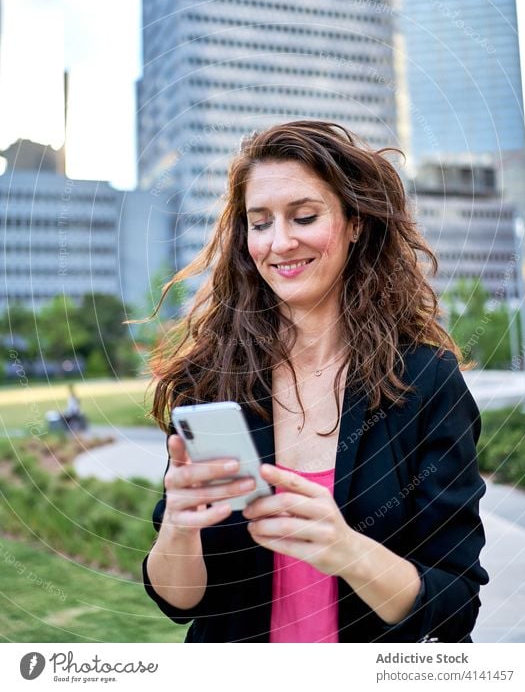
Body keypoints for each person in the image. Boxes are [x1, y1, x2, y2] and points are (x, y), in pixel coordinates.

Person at [141, 120, 489, 643]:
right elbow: (179, 601)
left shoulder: (426, 382)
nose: (279, 243)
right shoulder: (211, 382)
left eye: (303, 217)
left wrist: (345, 549)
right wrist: (180, 526)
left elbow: (454, 604)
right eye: (259, 223)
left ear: (355, 223)